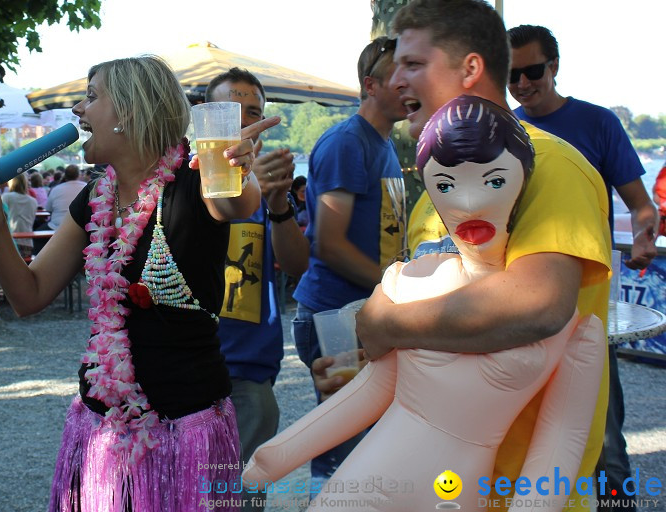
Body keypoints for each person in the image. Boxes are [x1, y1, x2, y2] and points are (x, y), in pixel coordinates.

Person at [244, 96, 605, 510]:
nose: (468, 204)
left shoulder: (568, 325)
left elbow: (560, 437)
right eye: (447, 186)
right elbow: (374, 387)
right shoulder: (411, 278)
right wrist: (272, 459)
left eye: (493, 181)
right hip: (369, 476)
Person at [0, 55, 277, 510]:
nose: (77, 112)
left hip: (185, 429)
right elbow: (28, 296)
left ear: (128, 110)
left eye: (91, 98)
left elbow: (234, 204)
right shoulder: (94, 196)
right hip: (101, 428)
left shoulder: (197, 177)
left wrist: (234, 166)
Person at [358, 0, 612, 509]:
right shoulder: (436, 188)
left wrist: (383, 324)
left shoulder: (552, 165)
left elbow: (538, 303)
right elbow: (441, 313)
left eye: (413, 64)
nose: (396, 81)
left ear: (471, 67)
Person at [507, 23, 659, 503]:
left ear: (555, 66)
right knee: (528, 429)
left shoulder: (597, 124)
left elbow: (641, 205)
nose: (522, 84)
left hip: (589, 300)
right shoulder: (500, 130)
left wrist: (643, 237)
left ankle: (618, 500)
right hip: (522, 302)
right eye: (511, 75)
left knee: (604, 434)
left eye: (532, 71)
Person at [289, 37, 407, 483]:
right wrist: (395, 287)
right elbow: (330, 244)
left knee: (371, 443)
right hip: (335, 315)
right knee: (345, 450)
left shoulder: (385, 145)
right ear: (370, 84)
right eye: (399, 72)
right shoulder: (347, 142)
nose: (409, 82)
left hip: (366, 311)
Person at [205, 67, 310, 507]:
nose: (247, 122)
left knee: (236, 497)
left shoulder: (266, 184)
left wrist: (279, 203)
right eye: (231, 114)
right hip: (188, 369)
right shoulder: (189, 182)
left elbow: (298, 265)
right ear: (206, 121)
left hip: (249, 369)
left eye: (254, 113)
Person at [1, 173, 39, 257]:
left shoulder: (6, 197)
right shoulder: (33, 201)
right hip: (28, 244)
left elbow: (1, 219)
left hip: (10, 242)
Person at [43, 163, 86, 229]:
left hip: (56, 226)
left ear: (65, 175)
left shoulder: (56, 189)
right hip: (81, 227)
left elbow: (48, 209)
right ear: (79, 175)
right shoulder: (86, 187)